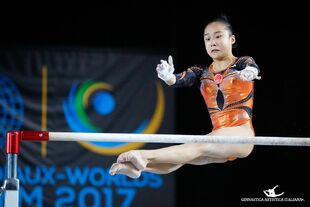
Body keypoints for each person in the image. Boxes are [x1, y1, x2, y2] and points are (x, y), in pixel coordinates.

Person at [109, 15, 261, 178]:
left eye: (218, 36)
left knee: (198, 146)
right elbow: (179, 79)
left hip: (241, 134)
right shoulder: (201, 72)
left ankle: (144, 156)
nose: (212, 42)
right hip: (218, 138)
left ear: (231, 39)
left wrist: (249, 72)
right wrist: (168, 77)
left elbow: (252, 67)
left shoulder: (241, 63)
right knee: (183, 157)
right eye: (207, 38)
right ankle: (137, 168)